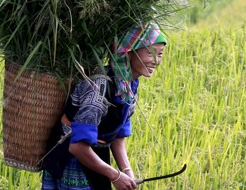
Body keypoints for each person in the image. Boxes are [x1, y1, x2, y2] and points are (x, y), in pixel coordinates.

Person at [41, 23, 166, 190]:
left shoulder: (129, 84)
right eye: (151, 53)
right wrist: (115, 175)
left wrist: (126, 171)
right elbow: (77, 146)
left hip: (95, 155)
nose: (156, 61)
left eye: (160, 54)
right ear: (128, 52)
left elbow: (118, 132)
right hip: (71, 159)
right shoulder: (99, 88)